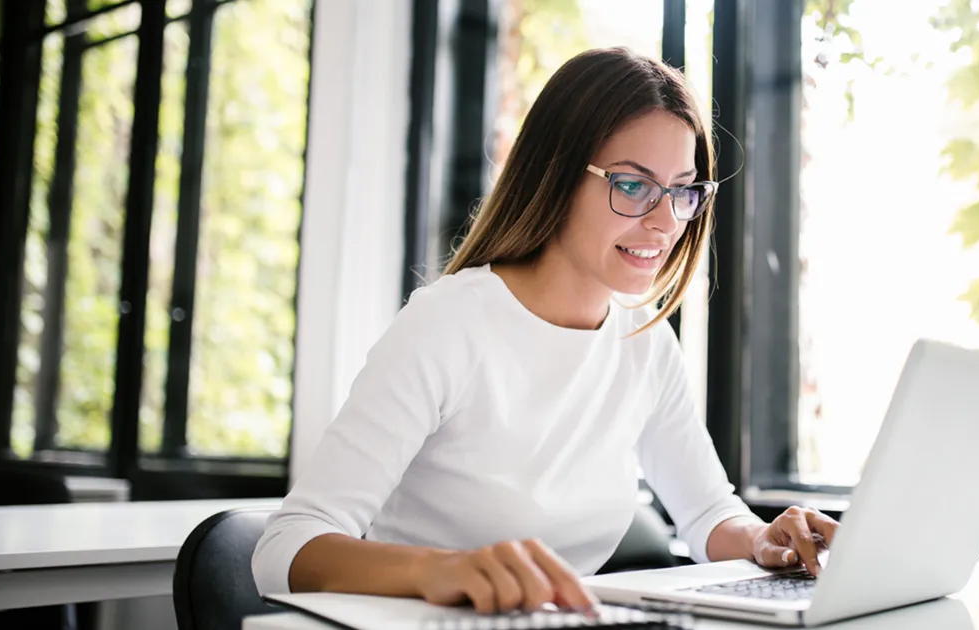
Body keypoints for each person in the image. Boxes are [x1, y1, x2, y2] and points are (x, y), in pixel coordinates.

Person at [251, 46, 839, 615]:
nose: (665, 223)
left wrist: (765, 539)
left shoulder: (645, 343)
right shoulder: (449, 324)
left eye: (683, 191)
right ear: (557, 175)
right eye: (632, 185)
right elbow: (286, 546)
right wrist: (439, 572)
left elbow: (709, 512)